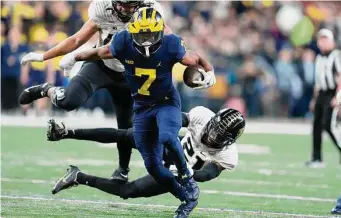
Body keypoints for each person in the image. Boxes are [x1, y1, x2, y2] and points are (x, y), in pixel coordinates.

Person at [53, 7, 215, 218]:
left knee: (167, 137)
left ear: (160, 31)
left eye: (150, 34)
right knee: (155, 168)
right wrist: (75, 57)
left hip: (166, 102)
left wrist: (210, 71)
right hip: (141, 107)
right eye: (142, 34)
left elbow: (195, 58)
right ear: (133, 31)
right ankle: (187, 199)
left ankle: (186, 177)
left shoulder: (172, 44)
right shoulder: (123, 41)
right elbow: (99, 52)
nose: (147, 40)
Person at [18, 0, 165, 182]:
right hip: (100, 66)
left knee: (126, 127)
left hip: (130, 73)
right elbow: (78, 39)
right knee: (69, 101)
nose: (125, 10)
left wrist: (197, 68)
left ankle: (122, 169)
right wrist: (43, 56)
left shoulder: (149, 12)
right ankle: (46, 89)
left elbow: (170, 42)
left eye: (130, 6)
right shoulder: (102, 9)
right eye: (122, 4)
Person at [49, 107, 244, 202]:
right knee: (125, 135)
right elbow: (175, 119)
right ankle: (67, 133)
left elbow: (208, 174)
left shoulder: (229, 154)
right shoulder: (203, 115)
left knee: (128, 191)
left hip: (176, 174)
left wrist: (184, 173)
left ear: (230, 140)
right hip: (169, 147)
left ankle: (78, 177)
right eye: (213, 128)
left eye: (219, 135)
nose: (212, 135)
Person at [307, 29, 341, 168]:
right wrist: (314, 100)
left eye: (325, 39)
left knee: (330, 126)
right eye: (320, 39)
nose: (322, 42)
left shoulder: (336, 55)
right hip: (322, 93)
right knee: (316, 126)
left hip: (332, 93)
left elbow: (340, 78)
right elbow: (318, 82)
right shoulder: (319, 57)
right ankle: (317, 158)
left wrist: (338, 98)